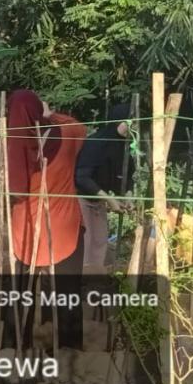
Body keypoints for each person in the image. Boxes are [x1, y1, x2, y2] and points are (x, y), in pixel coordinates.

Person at [5, 89, 86, 346]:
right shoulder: (67, 133)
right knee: (67, 292)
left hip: (25, 227)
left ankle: (15, 344)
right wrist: (51, 115)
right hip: (63, 225)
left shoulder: (10, 144)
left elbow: (12, 187)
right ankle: (69, 349)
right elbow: (80, 128)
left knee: (19, 291)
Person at [74, 104, 134, 271]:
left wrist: (128, 196)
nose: (134, 126)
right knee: (85, 241)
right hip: (81, 198)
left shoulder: (124, 146)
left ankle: (95, 277)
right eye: (131, 122)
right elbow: (82, 177)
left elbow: (127, 175)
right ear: (120, 122)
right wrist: (109, 199)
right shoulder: (96, 143)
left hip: (99, 201)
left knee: (100, 241)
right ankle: (81, 278)